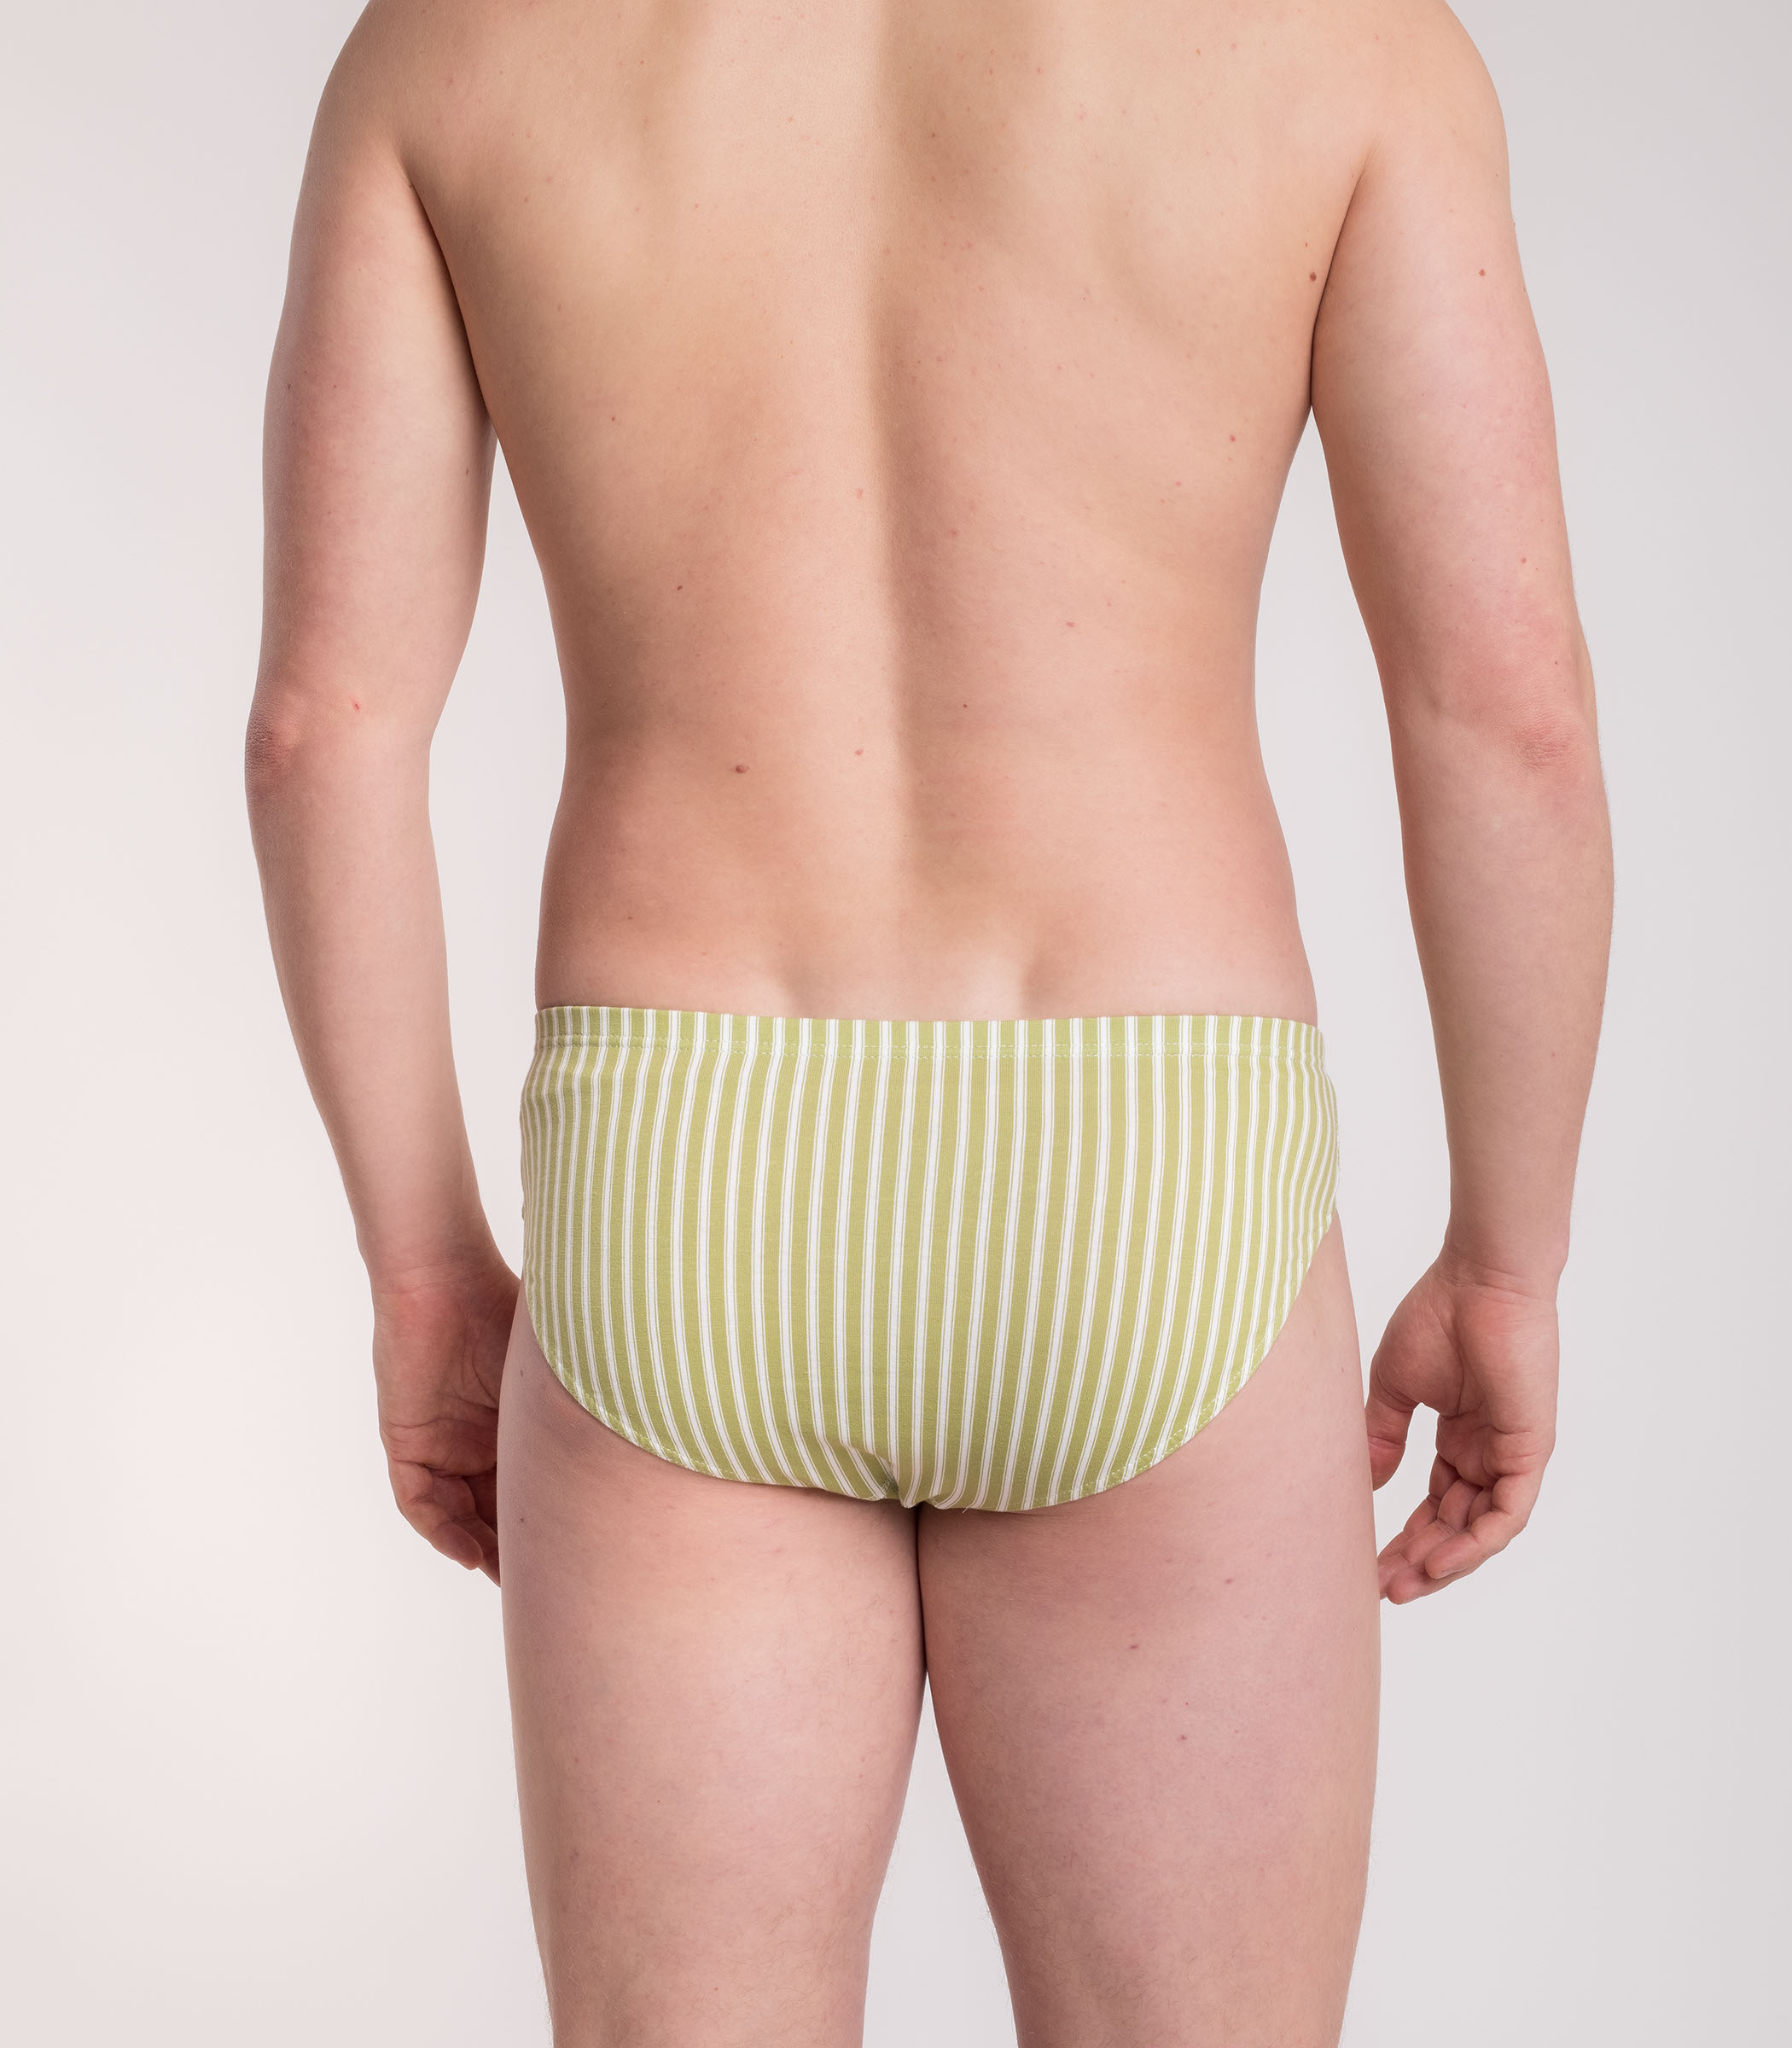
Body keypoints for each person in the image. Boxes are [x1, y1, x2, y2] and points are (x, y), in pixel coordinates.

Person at [245, 0, 1611, 2039]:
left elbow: (321, 733)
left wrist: (426, 1272)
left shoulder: (453, 47)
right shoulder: (1342, 44)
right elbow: (1511, 717)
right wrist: (1508, 1260)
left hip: (682, 1166)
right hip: (1151, 1166)